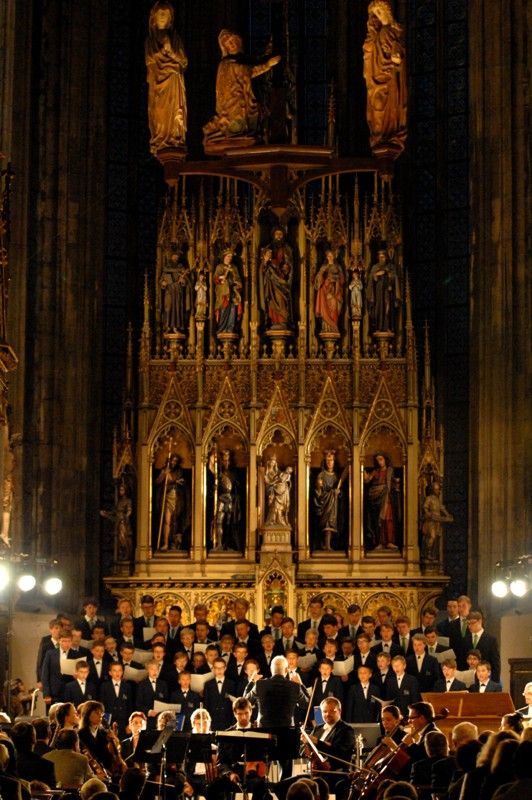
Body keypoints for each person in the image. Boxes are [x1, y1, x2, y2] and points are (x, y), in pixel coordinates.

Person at [203, 29, 280, 146]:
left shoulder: (245, 59)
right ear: (225, 48)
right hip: (233, 105)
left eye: (233, 41)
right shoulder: (227, 63)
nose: (232, 45)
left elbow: (254, 64)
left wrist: (267, 57)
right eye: (228, 44)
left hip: (245, 100)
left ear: (238, 41)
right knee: (237, 127)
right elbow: (249, 71)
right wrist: (268, 65)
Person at [363, 0, 407, 155]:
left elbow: (397, 57)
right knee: (376, 114)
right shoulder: (375, 36)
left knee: (386, 110)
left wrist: (395, 59)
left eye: (379, 13)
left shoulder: (391, 32)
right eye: (373, 15)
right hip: (374, 82)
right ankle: (381, 138)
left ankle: (386, 137)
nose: (376, 17)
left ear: (387, 12)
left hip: (387, 82)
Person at [145, 0, 187, 153]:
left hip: (173, 81)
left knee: (174, 112)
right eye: (160, 14)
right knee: (159, 113)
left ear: (170, 19)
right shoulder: (150, 41)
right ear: (154, 18)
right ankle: (160, 138)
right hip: (157, 84)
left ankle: (174, 136)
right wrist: (162, 50)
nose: (163, 17)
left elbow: (183, 60)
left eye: (166, 14)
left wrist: (171, 51)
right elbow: (150, 61)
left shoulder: (176, 39)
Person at [244, 654, 308, 728]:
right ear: (286, 670)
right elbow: (306, 704)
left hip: (265, 731)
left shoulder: (260, 684)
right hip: (287, 730)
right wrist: (301, 684)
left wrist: (252, 681)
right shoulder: (294, 686)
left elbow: (245, 701)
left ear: (271, 669)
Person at [209, 448, 243, 551]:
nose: (226, 462)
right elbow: (211, 467)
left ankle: (228, 545)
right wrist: (213, 452)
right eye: (224, 460)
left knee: (229, 523)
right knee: (219, 521)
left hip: (231, 500)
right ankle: (219, 543)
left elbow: (238, 487)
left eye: (227, 460)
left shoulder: (234, 473)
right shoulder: (219, 472)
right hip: (221, 498)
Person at [364, 452, 400, 550]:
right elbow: (367, 480)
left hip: (387, 497)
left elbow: (393, 483)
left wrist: (396, 484)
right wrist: (364, 475)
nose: (379, 462)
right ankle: (381, 542)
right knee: (379, 521)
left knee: (388, 520)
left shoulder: (390, 470)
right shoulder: (375, 471)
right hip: (377, 498)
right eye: (378, 460)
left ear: (385, 460)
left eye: (381, 459)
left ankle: (389, 541)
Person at [155, 452, 190, 551]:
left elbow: (175, 479)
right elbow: (157, 482)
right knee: (166, 521)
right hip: (166, 498)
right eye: (172, 460)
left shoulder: (179, 471)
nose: (173, 462)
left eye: (175, 461)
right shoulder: (164, 470)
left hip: (177, 499)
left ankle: (174, 543)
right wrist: (163, 473)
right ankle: (165, 543)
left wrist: (168, 474)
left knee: (176, 521)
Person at [313, 450, 346, 551]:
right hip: (325, 503)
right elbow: (318, 492)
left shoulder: (336, 476)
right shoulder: (321, 475)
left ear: (334, 462)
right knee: (326, 523)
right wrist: (319, 487)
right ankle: (326, 545)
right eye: (327, 460)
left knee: (331, 523)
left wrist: (338, 492)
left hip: (334, 504)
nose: (329, 462)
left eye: (331, 460)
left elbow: (341, 493)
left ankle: (328, 545)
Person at [366, 249, 401, 333]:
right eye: (380, 257)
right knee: (378, 308)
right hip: (378, 292)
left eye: (383, 257)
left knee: (388, 308)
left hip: (387, 291)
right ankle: (378, 327)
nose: (381, 259)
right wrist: (376, 275)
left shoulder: (390, 266)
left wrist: (388, 274)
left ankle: (388, 327)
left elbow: (395, 277)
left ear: (386, 258)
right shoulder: (375, 267)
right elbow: (370, 279)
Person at [260, 244, 293, 329]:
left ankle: (282, 321)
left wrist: (285, 270)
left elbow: (284, 272)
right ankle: (274, 321)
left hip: (280, 287)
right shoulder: (267, 265)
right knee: (272, 304)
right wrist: (265, 262)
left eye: (270, 254)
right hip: (271, 288)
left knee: (281, 300)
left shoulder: (275, 263)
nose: (269, 256)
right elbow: (262, 272)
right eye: (267, 255)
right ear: (264, 256)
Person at [159, 251, 192, 334]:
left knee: (177, 309)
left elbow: (187, 281)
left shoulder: (181, 268)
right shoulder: (166, 267)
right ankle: (167, 326)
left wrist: (183, 280)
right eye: (174, 256)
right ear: (171, 257)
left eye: (177, 257)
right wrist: (163, 283)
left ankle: (175, 327)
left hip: (178, 291)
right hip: (169, 291)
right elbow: (161, 280)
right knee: (168, 307)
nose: (175, 258)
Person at [100, 481, 133, 562]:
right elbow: (114, 511)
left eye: (122, 490)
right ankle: (121, 554)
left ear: (126, 491)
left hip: (123, 521)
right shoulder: (119, 501)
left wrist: (125, 518)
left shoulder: (128, 500)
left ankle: (125, 554)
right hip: (117, 520)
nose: (120, 491)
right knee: (118, 539)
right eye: (120, 490)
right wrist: (106, 512)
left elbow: (129, 510)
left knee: (123, 539)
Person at [421, 481, 453, 563]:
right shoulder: (429, 498)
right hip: (431, 521)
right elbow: (425, 508)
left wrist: (448, 515)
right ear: (433, 490)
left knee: (437, 539)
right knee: (432, 537)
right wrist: (428, 514)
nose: (439, 491)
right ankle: (427, 553)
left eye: (439, 490)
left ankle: (433, 555)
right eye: (437, 490)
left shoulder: (438, 500)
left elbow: (442, 509)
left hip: (437, 521)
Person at [314, 250, 345, 334]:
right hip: (325, 291)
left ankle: (334, 326)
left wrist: (335, 279)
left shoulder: (338, 267)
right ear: (327, 257)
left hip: (335, 291)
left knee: (334, 305)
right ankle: (326, 327)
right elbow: (318, 278)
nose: (330, 257)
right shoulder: (324, 267)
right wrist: (323, 278)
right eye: (328, 256)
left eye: (331, 256)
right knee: (325, 307)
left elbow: (342, 280)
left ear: (334, 257)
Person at [213, 250, 243, 334]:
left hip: (233, 292)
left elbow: (238, 279)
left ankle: (230, 329)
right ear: (224, 257)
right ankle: (222, 328)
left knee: (233, 310)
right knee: (224, 309)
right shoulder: (219, 267)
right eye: (228, 256)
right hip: (223, 292)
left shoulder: (234, 267)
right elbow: (215, 278)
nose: (230, 258)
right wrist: (220, 278)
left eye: (231, 257)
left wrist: (237, 284)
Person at [264, 456, 293, 527]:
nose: (272, 464)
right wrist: (273, 484)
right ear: (268, 462)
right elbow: (267, 482)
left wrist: (285, 484)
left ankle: (280, 520)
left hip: (281, 491)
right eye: (271, 462)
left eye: (274, 463)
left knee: (280, 507)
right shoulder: (265, 472)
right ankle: (272, 520)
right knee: (274, 506)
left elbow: (284, 480)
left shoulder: (278, 472)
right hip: (273, 491)